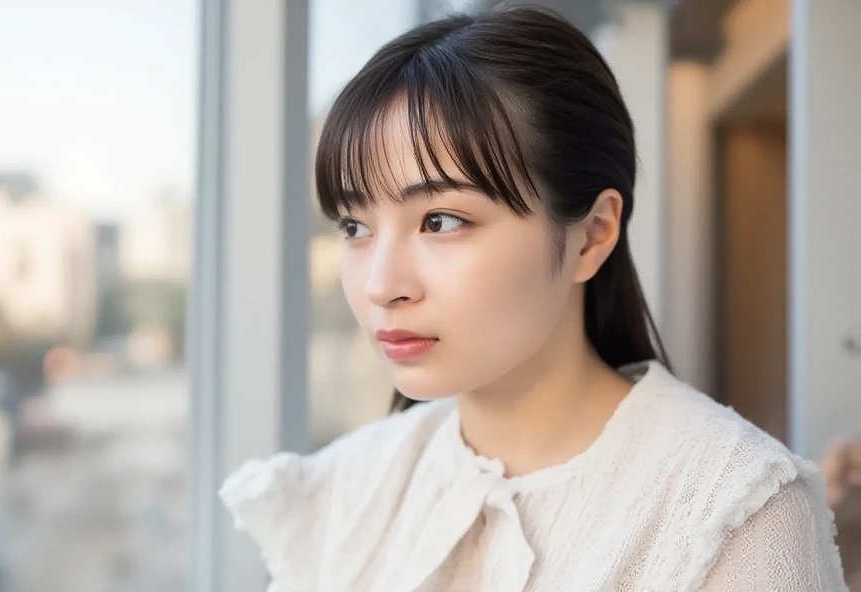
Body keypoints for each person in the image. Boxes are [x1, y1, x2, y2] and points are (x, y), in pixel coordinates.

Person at [220, 5, 846, 591]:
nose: (382, 285)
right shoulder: (343, 488)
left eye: (440, 220)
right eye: (355, 227)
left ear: (591, 234)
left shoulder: (736, 511)